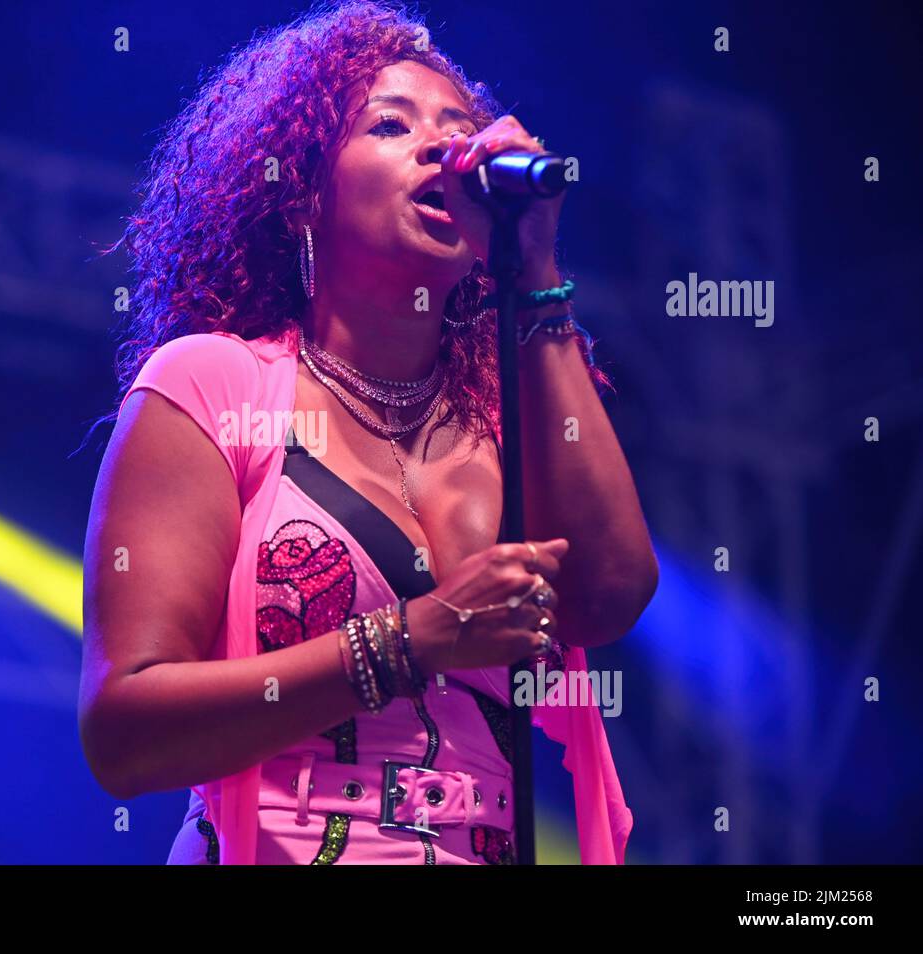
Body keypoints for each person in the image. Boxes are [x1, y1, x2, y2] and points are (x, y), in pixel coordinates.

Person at [78, 0, 657, 864]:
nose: (442, 148)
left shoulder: (506, 422)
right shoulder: (212, 383)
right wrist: (409, 640)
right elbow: (125, 733)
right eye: (390, 125)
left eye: (459, 130)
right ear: (306, 191)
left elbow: (609, 595)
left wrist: (533, 267)